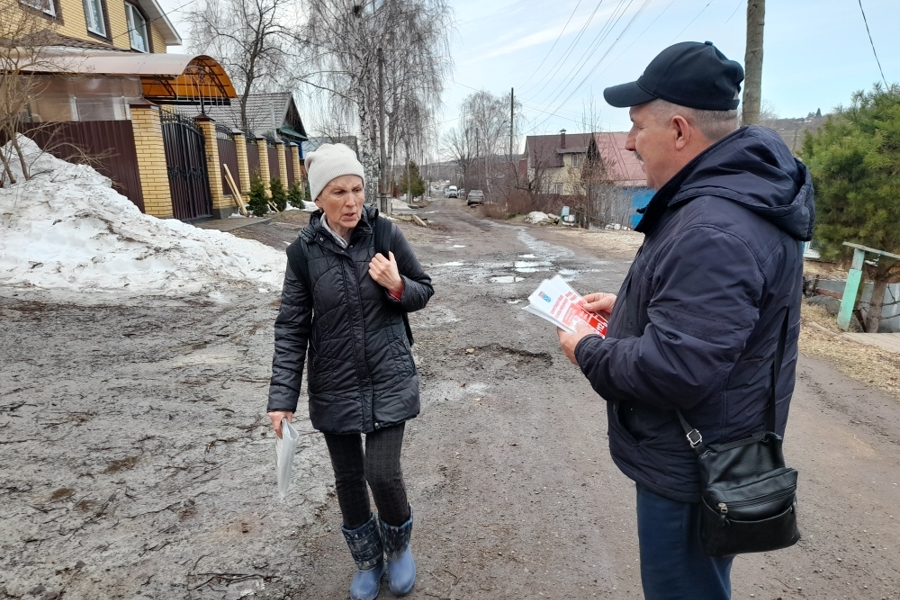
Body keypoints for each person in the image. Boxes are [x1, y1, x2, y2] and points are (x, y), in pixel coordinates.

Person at [556, 42, 815, 599]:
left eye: (635, 126)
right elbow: (703, 320)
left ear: (678, 131)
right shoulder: (730, 198)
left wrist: (588, 349)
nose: (627, 141)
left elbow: (678, 366)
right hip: (713, 451)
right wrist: (624, 307)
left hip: (691, 464)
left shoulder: (713, 226)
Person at [267, 143, 434, 600]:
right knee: (347, 478)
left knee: (381, 472)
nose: (351, 201)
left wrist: (397, 285)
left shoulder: (385, 235)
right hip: (333, 380)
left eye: (357, 189)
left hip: (388, 373)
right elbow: (293, 326)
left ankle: (398, 550)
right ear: (318, 198)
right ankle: (366, 560)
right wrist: (282, 399)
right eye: (338, 191)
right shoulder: (302, 254)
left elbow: (424, 289)